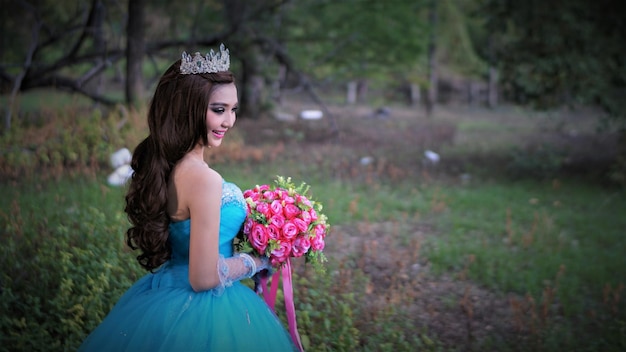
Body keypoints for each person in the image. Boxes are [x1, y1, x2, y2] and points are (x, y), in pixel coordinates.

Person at [79, 44, 297, 351]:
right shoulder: (204, 179)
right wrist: (258, 260)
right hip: (205, 308)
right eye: (218, 110)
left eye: (233, 110)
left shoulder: (172, 166)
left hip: (166, 291)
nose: (229, 122)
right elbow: (204, 277)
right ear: (190, 109)